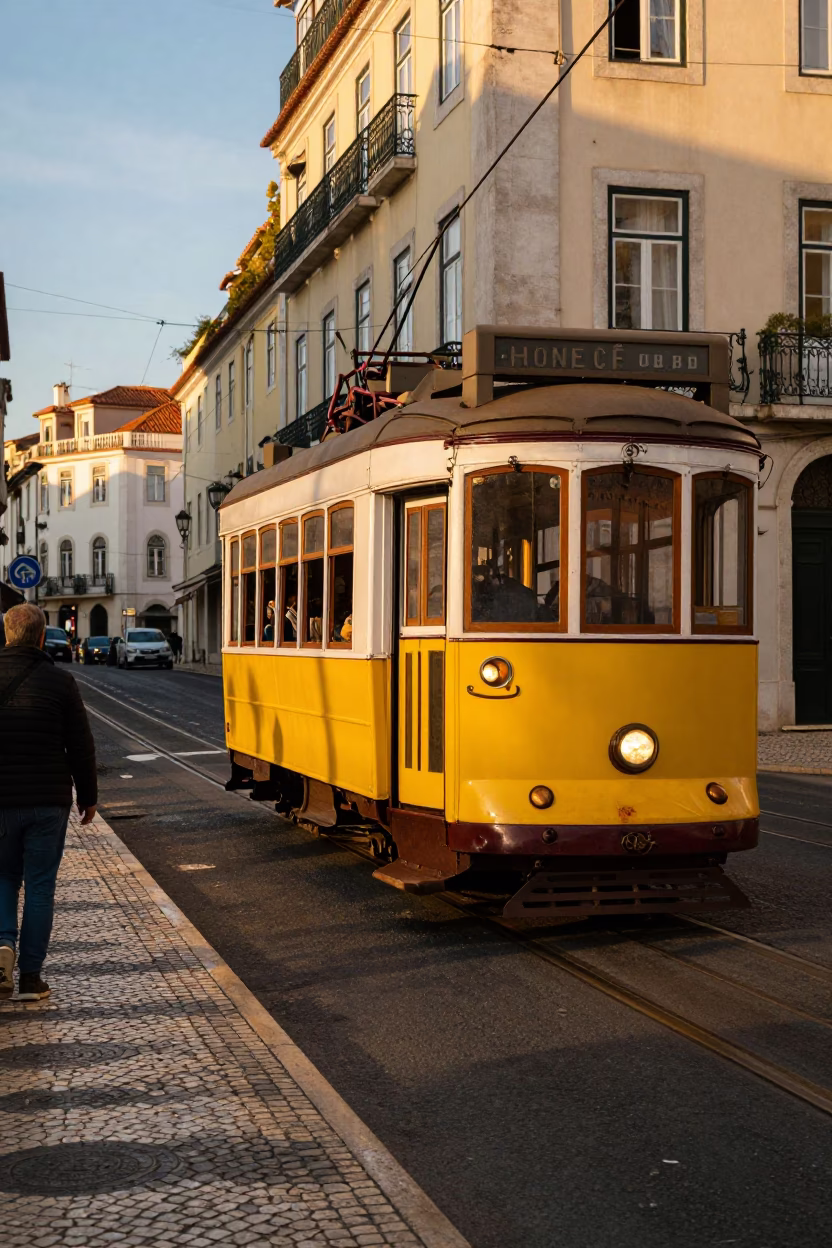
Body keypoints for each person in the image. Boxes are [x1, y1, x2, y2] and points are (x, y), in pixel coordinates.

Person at [0, 603, 97, 1001]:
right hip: (48, 802)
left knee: (4, 877)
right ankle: (30, 978)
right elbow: (80, 744)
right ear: (41, 637)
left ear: (7, 635)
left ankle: (2, 949)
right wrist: (88, 797)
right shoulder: (61, 682)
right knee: (40, 885)